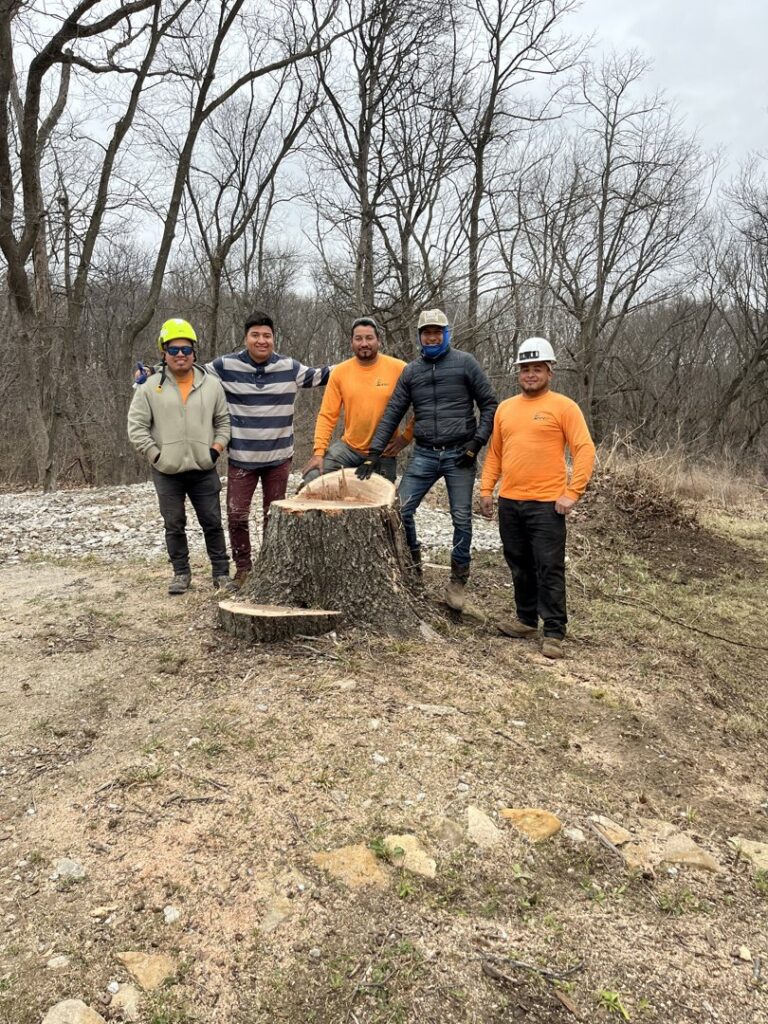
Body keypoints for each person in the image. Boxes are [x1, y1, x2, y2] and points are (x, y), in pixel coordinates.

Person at [356, 308, 497, 611]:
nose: (431, 337)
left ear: (447, 334)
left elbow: (489, 405)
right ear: (419, 336)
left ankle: (458, 580)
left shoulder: (465, 363)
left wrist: (477, 442)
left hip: (461, 453)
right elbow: (393, 411)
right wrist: (373, 453)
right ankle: (413, 568)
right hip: (425, 453)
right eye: (426, 332)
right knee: (401, 510)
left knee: (461, 518)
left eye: (437, 332)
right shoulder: (412, 371)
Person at [480, 337, 596, 659]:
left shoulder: (563, 407)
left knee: (549, 567)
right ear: (518, 372)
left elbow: (584, 450)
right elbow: (495, 454)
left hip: (547, 505)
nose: (530, 374)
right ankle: (526, 619)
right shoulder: (505, 409)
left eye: (537, 369)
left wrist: (573, 493)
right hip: (511, 502)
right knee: (518, 564)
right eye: (525, 369)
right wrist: (487, 490)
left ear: (549, 371)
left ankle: (555, 631)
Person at [127, 318, 233, 595]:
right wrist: (156, 455)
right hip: (167, 470)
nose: (180, 355)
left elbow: (223, 422)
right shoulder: (149, 386)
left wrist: (216, 450)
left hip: (203, 467)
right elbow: (136, 427)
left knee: (212, 522)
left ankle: (221, 573)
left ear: (194, 352)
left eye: (186, 349)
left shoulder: (211, 384)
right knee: (174, 525)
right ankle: (181, 573)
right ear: (163, 353)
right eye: (173, 350)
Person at [301, 316, 412, 485]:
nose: (364, 343)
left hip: (384, 452)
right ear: (351, 342)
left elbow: (424, 404)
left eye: (369, 338)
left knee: (382, 502)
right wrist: (319, 451)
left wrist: (406, 437)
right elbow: (327, 415)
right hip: (349, 448)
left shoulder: (400, 368)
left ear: (379, 341)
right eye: (358, 338)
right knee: (313, 477)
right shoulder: (340, 372)